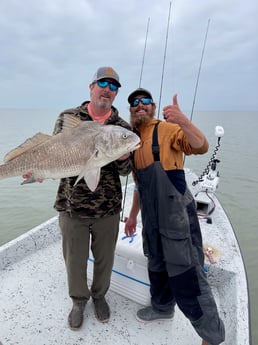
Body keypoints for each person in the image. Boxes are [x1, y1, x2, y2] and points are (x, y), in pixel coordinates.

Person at [124, 88, 225, 345]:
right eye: (134, 102)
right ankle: (162, 307)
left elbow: (200, 145)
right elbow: (139, 186)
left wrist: (182, 119)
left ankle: (211, 336)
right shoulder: (132, 140)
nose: (140, 105)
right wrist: (133, 216)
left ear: (153, 106)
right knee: (156, 264)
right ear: (131, 109)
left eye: (145, 101)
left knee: (186, 273)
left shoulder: (167, 129)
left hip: (177, 217)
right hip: (151, 219)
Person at [53, 66, 133, 330]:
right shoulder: (68, 117)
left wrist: (122, 157)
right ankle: (79, 301)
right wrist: (41, 171)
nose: (108, 90)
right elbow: (53, 153)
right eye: (104, 84)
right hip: (71, 205)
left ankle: (99, 296)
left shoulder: (122, 128)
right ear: (92, 86)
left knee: (105, 259)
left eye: (114, 87)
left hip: (107, 208)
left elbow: (125, 171)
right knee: (74, 259)